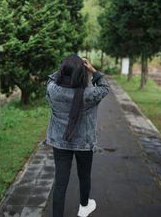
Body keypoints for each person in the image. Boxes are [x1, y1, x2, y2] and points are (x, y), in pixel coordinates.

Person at [41, 53, 110, 217]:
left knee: (61, 183)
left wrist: (66, 67)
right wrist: (92, 70)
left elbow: (51, 78)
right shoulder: (89, 94)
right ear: (81, 74)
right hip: (84, 143)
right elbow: (105, 88)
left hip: (60, 142)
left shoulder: (53, 89)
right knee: (84, 175)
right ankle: (84, 207)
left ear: (63, 71)